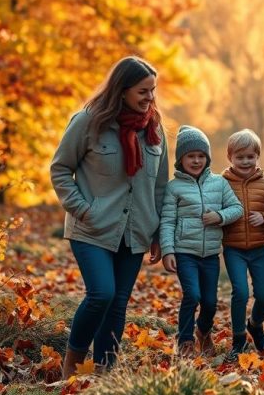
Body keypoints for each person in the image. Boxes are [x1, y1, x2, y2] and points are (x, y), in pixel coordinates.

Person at [50, 56, 168, 377]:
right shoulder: (88, 122)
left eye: (153, 91)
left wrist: (158, 233)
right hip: (92, 228)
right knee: (102, 294)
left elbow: (160, 186)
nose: (150, 98)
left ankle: (104, 374)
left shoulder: (154, 130)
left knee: (118, 304)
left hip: (136, 232)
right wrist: (82, 209)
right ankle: (71, 367)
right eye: (143, 91)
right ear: (122, 89)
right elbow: (60, 169)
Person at [160, 125, 243, 358]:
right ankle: (185, 340)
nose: (196, 161)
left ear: (207, 158)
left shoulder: (219, 183)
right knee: (192, 295)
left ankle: (203, 332)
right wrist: (168, 251)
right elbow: (167, 220)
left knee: (210, 302)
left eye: (200, 156)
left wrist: (220, 217)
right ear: (181, 159)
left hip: (210, 255)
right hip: (185, 251)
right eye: (190, 156)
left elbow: (237, 208)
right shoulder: (174, 187)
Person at [222, 128, 264, 359]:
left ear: (257, 156)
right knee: (240, 291)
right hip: (233, 248)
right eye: (240, 157)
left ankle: (255, 325)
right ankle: (238, 339)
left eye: (250, 156)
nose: (245, 161)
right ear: (230, 158)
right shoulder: (222, 183)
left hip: (259, 249)